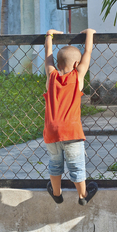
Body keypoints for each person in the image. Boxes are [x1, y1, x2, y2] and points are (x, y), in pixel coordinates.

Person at [43, 28, 98, 206]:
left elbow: (48, 56)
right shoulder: (78, 76)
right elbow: (88, 52)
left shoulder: (51, 77)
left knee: (55, 163)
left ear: (58, 65)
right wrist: (89, 33)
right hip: (72, 131)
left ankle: (57, 193)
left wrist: (49, 35)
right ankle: (83, 195)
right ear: (76, 65)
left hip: (51, 131)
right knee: (76, 165)